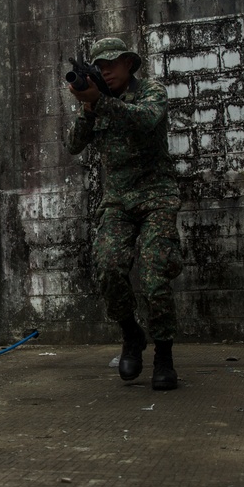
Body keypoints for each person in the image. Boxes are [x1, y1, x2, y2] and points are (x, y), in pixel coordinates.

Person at [65, 37, 183, 390]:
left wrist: (101, 102)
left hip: (156, 197)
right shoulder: (97, 102)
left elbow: (147, 121)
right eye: (98, 65)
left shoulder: (151, 92)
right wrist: (89, 108)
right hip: (118, 202)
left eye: (110, 64)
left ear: (129, 64)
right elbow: (73, 146)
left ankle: (164, 354)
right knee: (108, 266)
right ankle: (132, 334)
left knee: (154, 276)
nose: (104, 70)